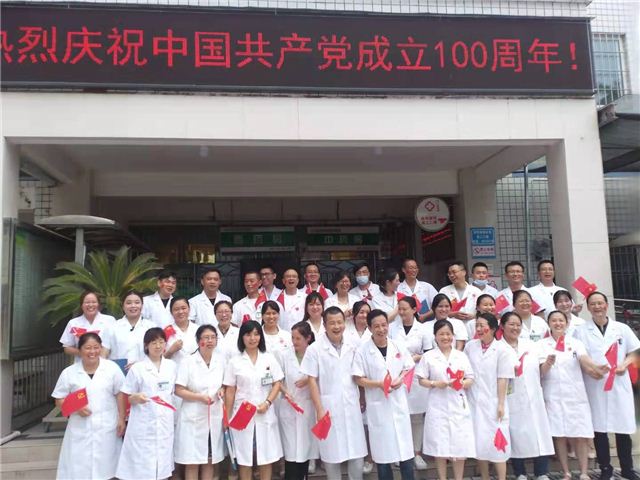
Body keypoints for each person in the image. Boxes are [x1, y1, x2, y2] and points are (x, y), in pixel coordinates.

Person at [574, 292, 640, 480]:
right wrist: (591, 369)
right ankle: (605, 468)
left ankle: (627, 468)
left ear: (606, 305)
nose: (597, 307)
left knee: (623, 428)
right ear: (588, 307)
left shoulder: (622, 328)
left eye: (600, 303)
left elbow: (635, 351)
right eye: (593, 304)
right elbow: (578, 356)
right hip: (596, 384)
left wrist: (624, 365)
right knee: (600, 429)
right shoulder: (580, 331)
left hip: (619, 382)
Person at [301, 307, 367, 480]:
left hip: (351, 404)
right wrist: (319, 409)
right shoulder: (315, 349)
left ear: (345, 323)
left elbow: (359, 374)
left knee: (357, 455)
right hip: (328, 407)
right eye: (332, 323)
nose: (336, 326)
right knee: (331, 456)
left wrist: (362, 397)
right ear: (324, 325)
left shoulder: (354, 344)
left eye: (339, 322)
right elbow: (312, 380)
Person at [540, 310, 604, 480]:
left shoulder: (575, 343)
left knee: (580, 434)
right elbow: (541, 372)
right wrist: (548, 363)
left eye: (561, 320)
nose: (558, 323)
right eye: (554, 320)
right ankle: (566, 472)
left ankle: (583, 472)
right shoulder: (541, 345)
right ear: (549, 323)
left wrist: (596, 367)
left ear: (567, 323)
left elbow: (584, 359)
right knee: (559, 435)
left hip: (575, 395)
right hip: (553, 395)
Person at [52, 332, 125, 480]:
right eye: (88, 348)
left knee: (107, 467)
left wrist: (122, 419)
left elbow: (120, 394)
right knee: (79, 468)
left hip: (107, 425)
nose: (92, 351)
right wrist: (76, 408)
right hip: (80, 427)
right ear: (79, 350)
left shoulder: (112, 368)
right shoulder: (69, 373)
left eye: (96, 347)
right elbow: (58, 399)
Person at [353, 309, 415, 480]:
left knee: (405, 453)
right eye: (376, 326)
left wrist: (400, 379)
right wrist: (379, 384)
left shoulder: (398, 345)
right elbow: (358, 378)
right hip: (378, 406)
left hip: (398, 402)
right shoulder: (363, 351)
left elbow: (408, 367)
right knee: (383, 456)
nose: (381, 329)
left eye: (384, 325)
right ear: (369, 328)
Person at [223, 320, 284, 480]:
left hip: (265, 412)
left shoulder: (268, 358)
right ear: (242, 337)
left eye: (256, 334)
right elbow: (230, 390)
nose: (252, 338)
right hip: (241, 414)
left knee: (266, 457)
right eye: (248, 334)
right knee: (244, 458)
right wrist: (227, 417)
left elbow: (277, 383)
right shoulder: (235, 361)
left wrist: (268, 402)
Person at [417, 320, 475, 480]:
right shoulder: (428, 356)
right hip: (438, 404)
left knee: (460, 445)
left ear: (453, 336)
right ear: (435, 336)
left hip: (458, 404)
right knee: (439, 445)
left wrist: (461, 383)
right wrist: (435, 384)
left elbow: (470, 378)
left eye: (448, 334)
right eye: (441, 334)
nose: (445, 337)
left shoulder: (461, 356)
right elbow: (421, 379)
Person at [116, 328, 177, 480]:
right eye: (153, 342)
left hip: (164, 421)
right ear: (146, 345)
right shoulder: (138, 368)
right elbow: (127, 396)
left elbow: (173, 392)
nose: (158, 346)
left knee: (162, 466)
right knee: (141, 467)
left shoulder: (171, 366)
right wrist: (136, 398)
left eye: (161, 342)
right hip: (143, 422)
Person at [500, 312, 554, 480]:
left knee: (539, 432)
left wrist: (548, 364)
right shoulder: (498, 348)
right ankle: (520, 472)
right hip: (511, 397)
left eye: (518, 325)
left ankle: (541, 472)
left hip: (533, 396)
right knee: (516, 433)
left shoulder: (531, 345)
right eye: (511, 324)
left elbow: (541, 371)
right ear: (502, 326)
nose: (515, 328)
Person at [464, 313, 517, 480]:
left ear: (493, 328)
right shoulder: (470, 346)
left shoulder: (503, 350)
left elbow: (503, 378)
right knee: (480, 444)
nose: (478, 329)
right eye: (477, 326)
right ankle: (485, 477)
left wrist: (500, 404)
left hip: (494, 402)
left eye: (482, 326)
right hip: (474, 401)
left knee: (498, 443)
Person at [174, 324, 226, 480]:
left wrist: (222, 389)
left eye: (213, 337)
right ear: (198, 341)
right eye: (206, 338)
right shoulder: (188, 361)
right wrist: (199, 397)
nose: (210, 341)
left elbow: (225, 384)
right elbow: (178, 389)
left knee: (209, 460)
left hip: (214, 416)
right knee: (192, 462)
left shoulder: (221, 360)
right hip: (193, 417)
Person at [389, 296, 433, 470]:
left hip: (415, 377)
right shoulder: (392, 328)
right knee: (400, 416)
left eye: (405, 309)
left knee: (416, 417)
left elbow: (429, 353)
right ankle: (400, 453)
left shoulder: (423, 329)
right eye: (399, 309)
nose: (401, 312)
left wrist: (416, 358)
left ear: (414, 310)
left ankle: (417, 453)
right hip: (398, 376)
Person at [278, 321, 319, 479]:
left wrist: (308, 379)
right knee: (291, 450)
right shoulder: (284, 355)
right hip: (289, 407)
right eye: (293, 338)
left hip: (308, 407)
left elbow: (322, 374)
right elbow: (277, 379)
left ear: (308, 338)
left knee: (305, 449)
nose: (294, 342)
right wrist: (285, 392)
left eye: (298, 338)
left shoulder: (314, 354)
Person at [59, 291, 116, 363]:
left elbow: (116, 343)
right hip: (81, 364)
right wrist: (83, 353)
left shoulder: (110, 320)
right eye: (87, 302)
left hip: (105, 364)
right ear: (81, 305)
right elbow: (67, 347)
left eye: (94, 302)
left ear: (99, 304)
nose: (90, 305)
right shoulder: (73, 323)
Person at [108, 291, 155, 368]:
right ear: (123, 306)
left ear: (142, 305)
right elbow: (104, 353)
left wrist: (138, 366)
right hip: (118, 372)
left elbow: (157, 354)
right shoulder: (113, 327)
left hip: (145, 372)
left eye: (137, 302)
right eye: (129, 303)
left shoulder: (151, 327)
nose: (133, 306)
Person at [164, 296, 199, 368]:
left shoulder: (199, 330)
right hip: (174, 371)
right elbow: (159, 360)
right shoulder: (166, 332)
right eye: (176, 309)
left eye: (183, 308)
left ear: (189, 309)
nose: (180, 312)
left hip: (196, 370)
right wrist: (171, 351)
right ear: (171, 312)